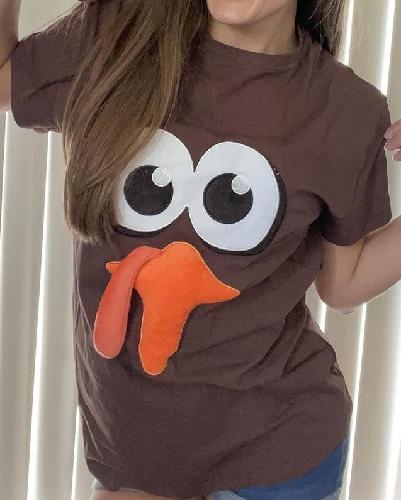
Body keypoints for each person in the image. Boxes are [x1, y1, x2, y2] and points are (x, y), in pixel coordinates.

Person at [1, 0, 401, 499]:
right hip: (133, 451)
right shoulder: (118, 35)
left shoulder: (346, 110)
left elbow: (344, 283)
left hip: (276, 454)